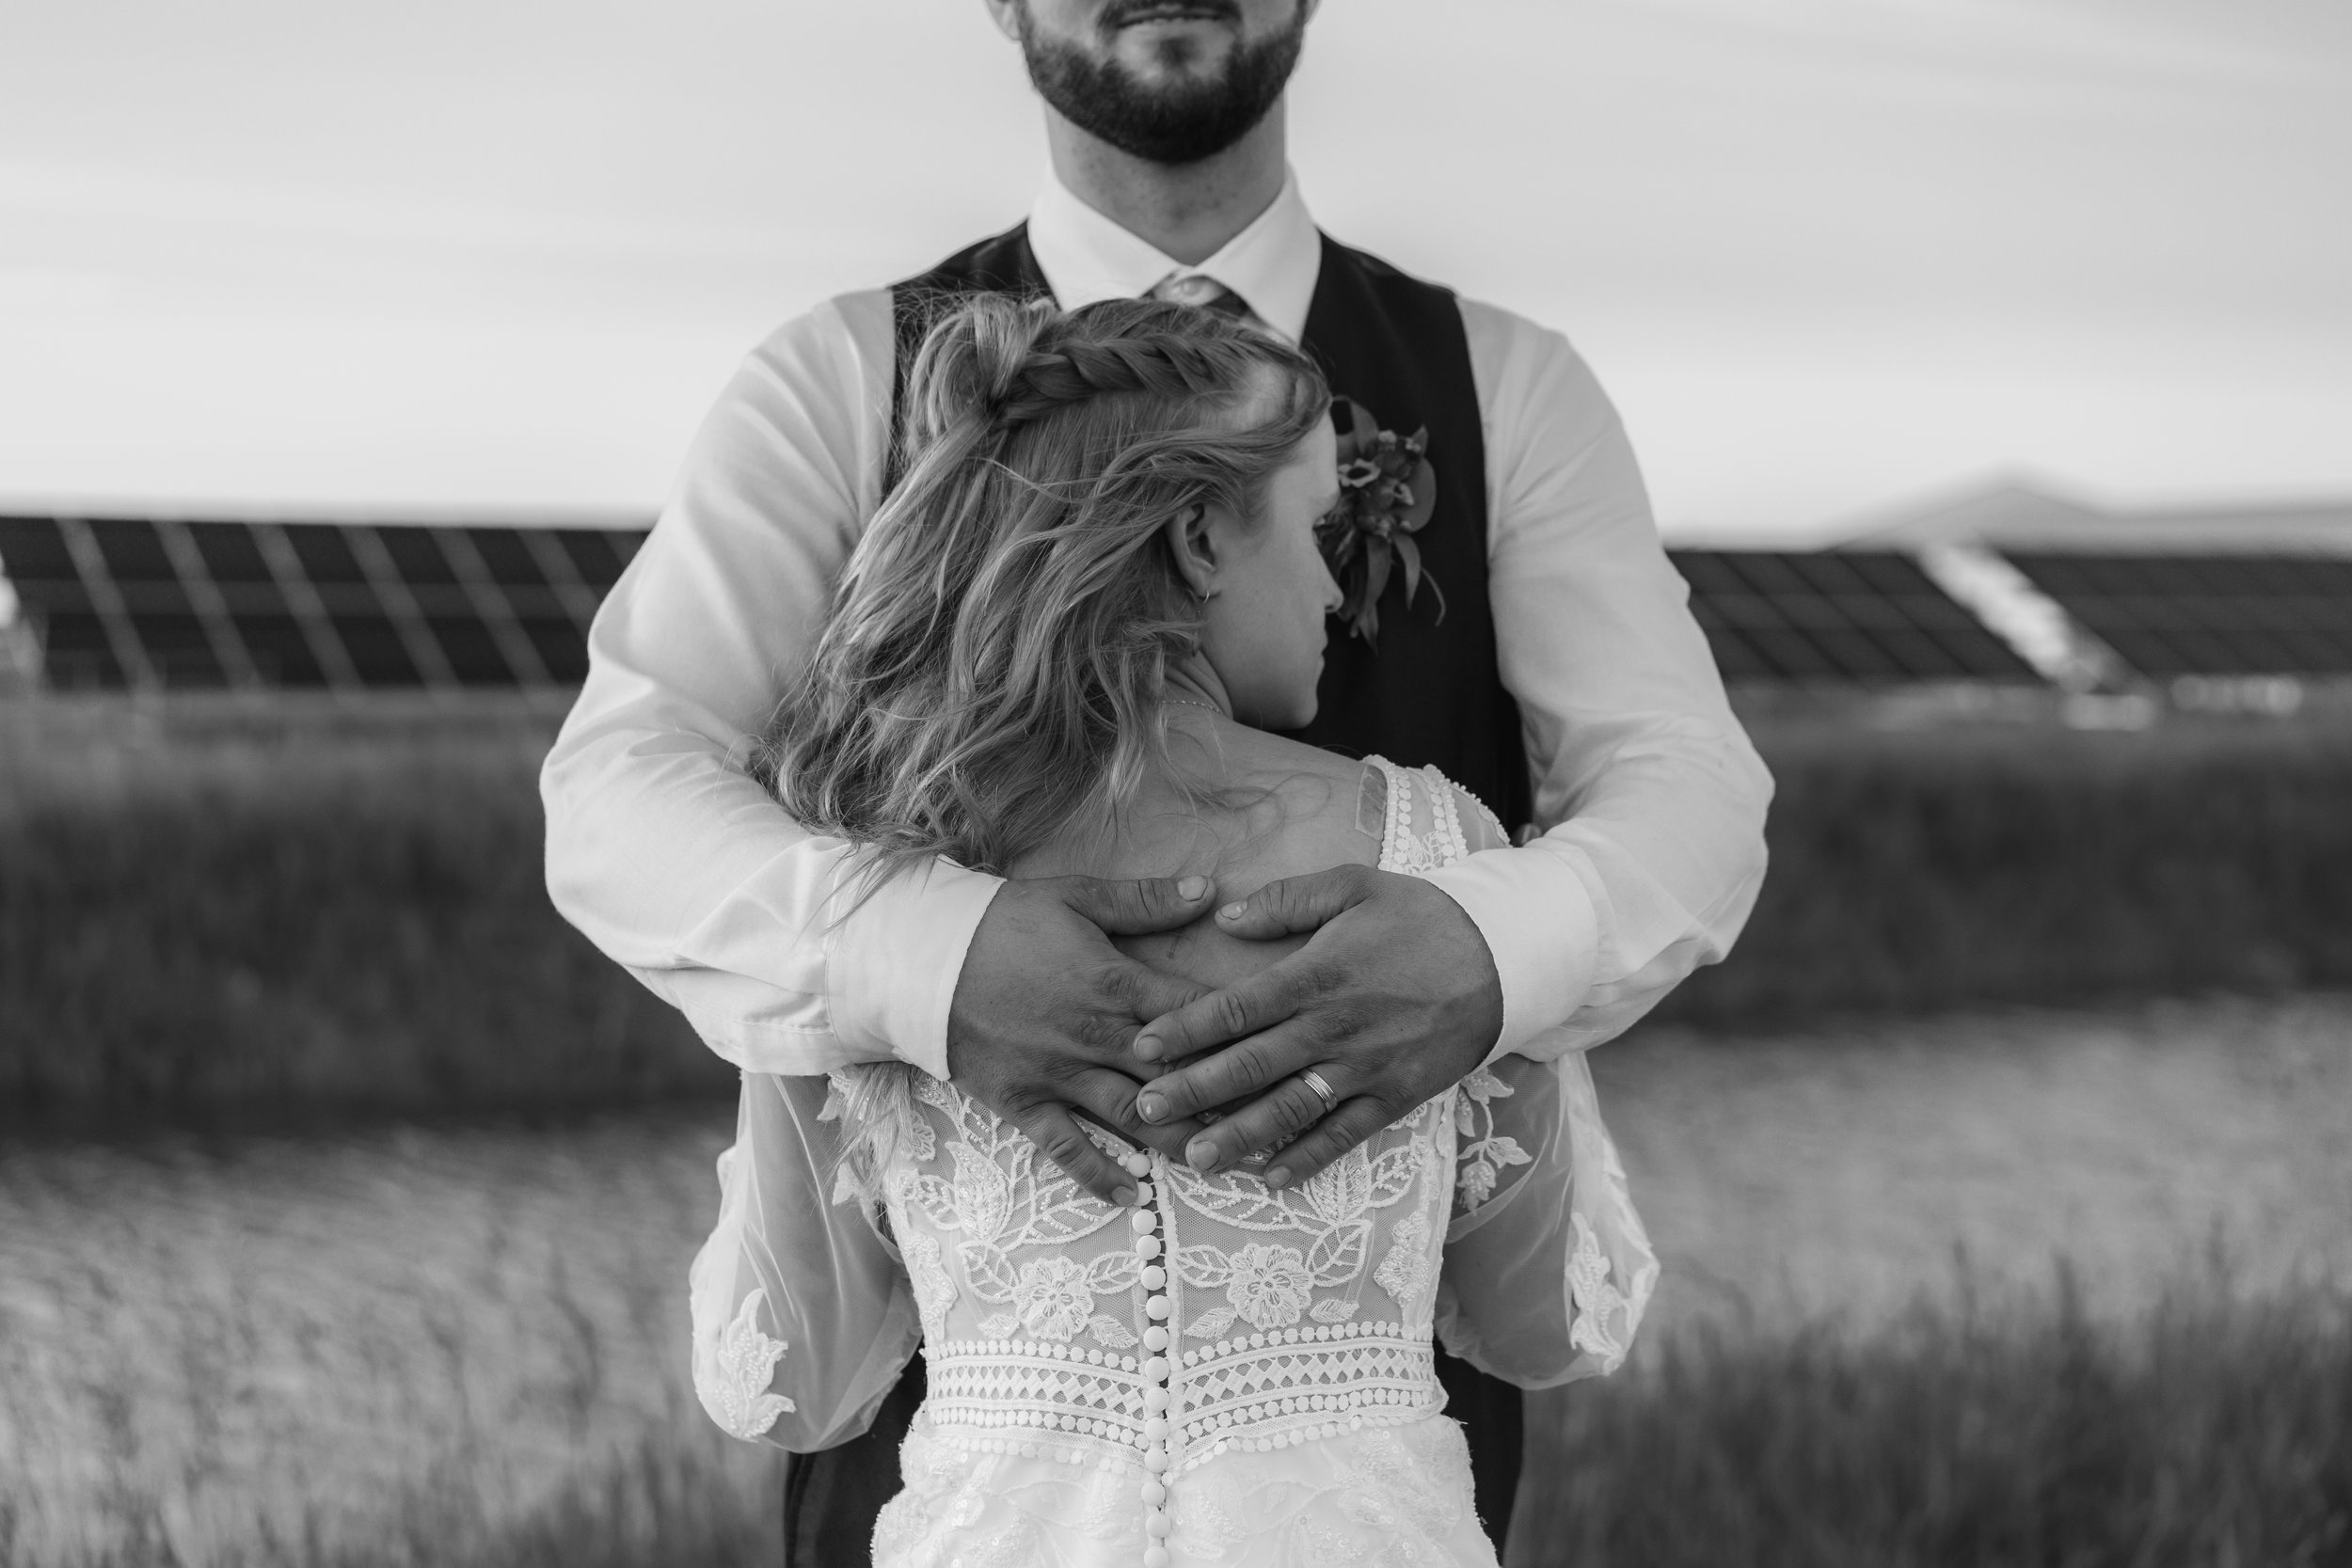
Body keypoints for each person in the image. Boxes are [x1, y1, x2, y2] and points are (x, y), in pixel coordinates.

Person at [542, 0, 1771, 1557]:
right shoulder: (835, 376)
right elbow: (619, 787)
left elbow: (1690, 784)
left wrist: (1491, 947)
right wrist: (925, 951)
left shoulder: (1507, 385)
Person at [688, 292, 1659, 1568]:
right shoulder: (1440, 856)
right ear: (1201, 537)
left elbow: (795, 1373)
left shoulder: (866, 886)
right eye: (1314, 533)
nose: (1333, 591)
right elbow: (1549, 1321)